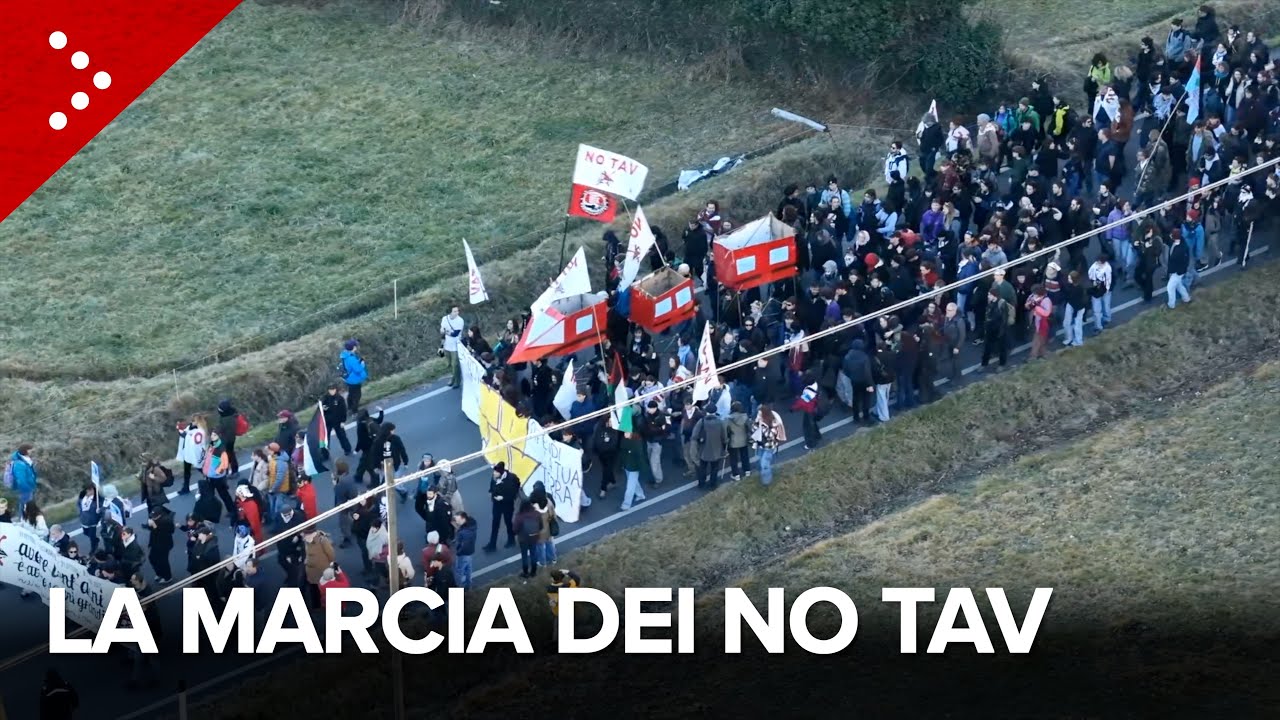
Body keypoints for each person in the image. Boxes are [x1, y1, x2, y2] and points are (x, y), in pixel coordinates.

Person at [692, 404, 730, 489]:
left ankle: (701, 484)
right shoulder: (720, 422)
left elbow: (694, 435)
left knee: (702, 468)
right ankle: (713, 484)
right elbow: (724, 437)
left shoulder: (701, 421)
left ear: (707, 412)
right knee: (714, 468)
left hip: (703, 449)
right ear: (715, 412)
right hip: (717, 450)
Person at [483, 462, 518, 552]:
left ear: (501, 473)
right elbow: (492, 486)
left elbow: (514, 493)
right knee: (495, 524)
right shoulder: (495, 478)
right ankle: (492, 544)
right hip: (497, 504)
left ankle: (511, 540)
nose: (494, 473)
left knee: (508, 523)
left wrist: (503, 498)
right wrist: (491, 491)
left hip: (507, 505)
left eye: (496, 472)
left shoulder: (511, 478)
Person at [751, 403, 786, 487]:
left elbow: (771, 436)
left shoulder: (773, 421)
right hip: (761, 444)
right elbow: (753, 429)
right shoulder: (760, 419)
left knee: (765, 464)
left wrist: (762, 429)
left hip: (769, 446)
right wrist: (756, 425)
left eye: (760, 414)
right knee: (761, 459)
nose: (758, 415)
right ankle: (765, 473)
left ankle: (766, 481)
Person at [303, 527, 336, 609]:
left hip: (322, 570)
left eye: (307, 536)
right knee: (314, 589)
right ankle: (316, 605)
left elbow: (331, 554)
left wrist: (330, 565)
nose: (305, 538)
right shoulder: (306, 541)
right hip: (311, 571)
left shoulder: (322, 541)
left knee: (325, 588)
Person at [547, 568, 582, 644]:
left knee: (556, 631)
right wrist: (568, 572)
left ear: (552, 579)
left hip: (558, 613)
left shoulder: (549, 589)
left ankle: (555, 645)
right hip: (570, 611)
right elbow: (577, 578)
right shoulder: (569, 586)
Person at [175, 415, 207, 495]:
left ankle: (212, 478)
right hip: (188, 453)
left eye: (193, 420)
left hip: (195, 453)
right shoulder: (190, 427)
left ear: (197, 421)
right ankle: (186, 487)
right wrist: (180, 429)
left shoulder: (199, 431)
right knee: (187, 471)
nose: (191, 422)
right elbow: (185, 434)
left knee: (200, 467)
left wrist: (180, 430)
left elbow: (189, 437)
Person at [145, 504, 176, 584]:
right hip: (155, 543)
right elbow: (151, 530)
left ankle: (167, 577)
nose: (153, 517)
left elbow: (166, 533)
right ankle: (159, 573)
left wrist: (155, 526)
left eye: (154, 516)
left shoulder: (167, 521)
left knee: (163, 561)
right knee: (152, 558)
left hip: (164, 544)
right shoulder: (154, 519)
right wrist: (149, 525)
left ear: (160, 515)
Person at [618, 430, 649, 509]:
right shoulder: (626, 440)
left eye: (626, 432)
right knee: (634, 482)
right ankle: (640, 494)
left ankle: (626, 504)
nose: (625, 433)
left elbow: (640, 456)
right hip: (627, 465)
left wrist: (643, 467)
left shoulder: (636, 443)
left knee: (630, 486)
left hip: (634, 467)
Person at [320, 384, 353, 456]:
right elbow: (321, 406)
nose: (332, 391)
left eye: (333, 390)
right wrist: (323, 408)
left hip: (338, 421)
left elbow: (343, 410)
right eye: (330, 390)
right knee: (324, 439)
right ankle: (324, 454)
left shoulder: (340, 398)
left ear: (336, 389)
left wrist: (343, 421)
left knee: (342, 436)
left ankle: (347, 449)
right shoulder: (325, 398)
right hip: (328, 421)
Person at [339, 339, 369, 414]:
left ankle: (349, 407)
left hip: (348, 379)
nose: (356, 347)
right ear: (353, 347)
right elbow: (358, 369)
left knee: (351, 393)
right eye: (355, 346)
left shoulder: (345, 355)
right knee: (357, 395)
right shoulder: (351, 358)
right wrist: (362, 364)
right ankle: (354, 411)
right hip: (354, 380)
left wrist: (358, 362)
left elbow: (350, 366)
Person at [7, 444, 37, 516]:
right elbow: (21, 479)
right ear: (26, 451)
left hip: (29, 487)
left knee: (26, 507)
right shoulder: (19, 464)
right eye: (30, 449)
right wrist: (27, 489)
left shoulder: (25, 461)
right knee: (25, 506)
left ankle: (26, 521)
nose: (33, 451)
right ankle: (24, 521)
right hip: (25, 489)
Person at [440, 305, 466, 388]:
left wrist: (445, 332)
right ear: (450, 312)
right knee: (450, 364)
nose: (456, 313)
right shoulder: (445, 319)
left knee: (455, 364)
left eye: (457, 311)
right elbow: (442, 331)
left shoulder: (460, 320)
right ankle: (453, 378)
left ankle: (457, 381)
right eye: (454, 311)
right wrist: (441, 344)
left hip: (455, 345)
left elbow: (455, 334)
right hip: (447, 345)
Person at [1166, 229, 1193, 309]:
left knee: (1170, 287)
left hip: (1178, 271)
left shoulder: (1181, 249)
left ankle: (1171, 305)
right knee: (1178, 285)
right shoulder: (1179, 244)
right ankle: (1186, 298)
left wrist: (1178, 272)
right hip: (1177, 271)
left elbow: (1183, 261)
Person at [725, 401, 751, 480]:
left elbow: (726, 430)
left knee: (733, 458)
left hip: (733, 441)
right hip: (744, 439)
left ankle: (736, 474)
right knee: (745, 456)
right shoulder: (745, 417)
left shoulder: (728, 419)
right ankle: (747, 470)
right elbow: (749, 427)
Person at [1062, 270, 1088, 347]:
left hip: (1078, 308)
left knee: (1077, 325)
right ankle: (1069, 338)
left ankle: (1078, 341)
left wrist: (1075, 312)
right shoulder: (1071, 286)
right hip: (1071, 305)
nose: (1068, 280)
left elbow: (1079, 302)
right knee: (1066, 323)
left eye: (1069, 278)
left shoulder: (1079, 289)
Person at [452, 511, 477, 590]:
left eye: (457, 520)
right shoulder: (471, 525)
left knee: (459, 571)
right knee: (468, 568)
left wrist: (458, 552)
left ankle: (458, 588)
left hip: (463, 554)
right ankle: (468, 585)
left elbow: (464, 546)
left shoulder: (464, 532)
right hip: (469, 552)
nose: (456, 522)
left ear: (463, 518)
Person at [76, 482, 102, 555]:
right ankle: (95, 540)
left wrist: (99, 511)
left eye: (92, 490)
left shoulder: (97, 498)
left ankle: (93, 549)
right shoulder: (82, 496)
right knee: (86, 533)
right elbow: (78, 503)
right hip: (84, 519)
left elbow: (102, 505)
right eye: (89, 490)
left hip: (92, 520)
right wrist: (79, 512)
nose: (91, 492)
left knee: (92, 536)